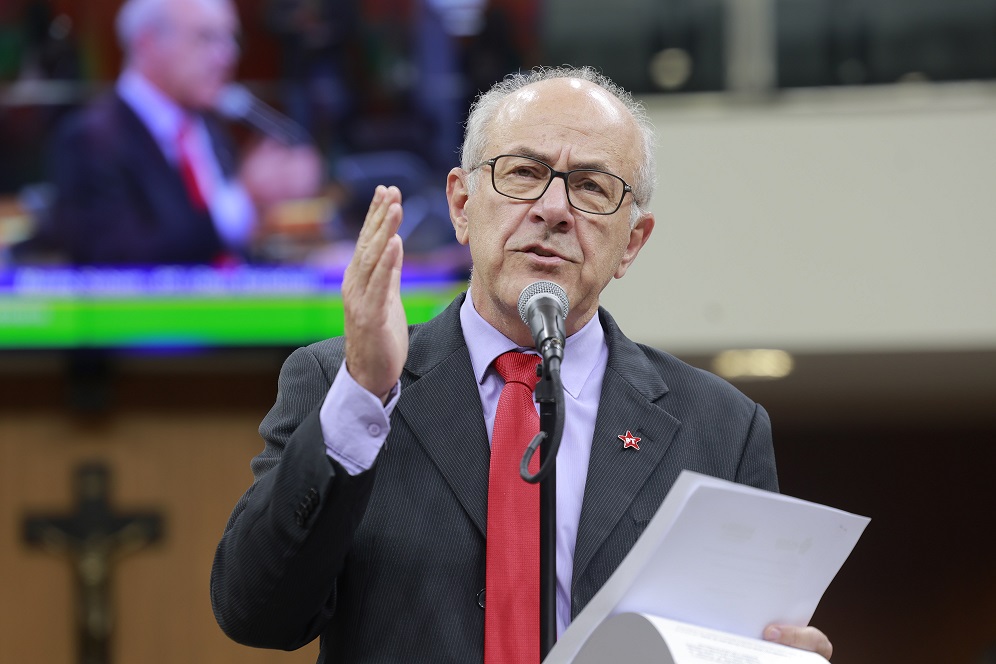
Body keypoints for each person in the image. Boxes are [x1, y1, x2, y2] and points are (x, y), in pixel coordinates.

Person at [210, 66, 834, 662]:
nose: (553, 208)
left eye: (591, 187)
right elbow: (256, 613)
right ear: (461, 205)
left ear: (632, 243)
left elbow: (736, 639)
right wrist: (364, 394)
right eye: (524, 173)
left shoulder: (721, 429)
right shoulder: (338, 384)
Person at [40, 0, 321, 265]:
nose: (227, 56)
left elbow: (230, 256)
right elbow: (119, 260)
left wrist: (307, 265)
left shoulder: (208, 127)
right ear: (148, 43)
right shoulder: (90, 138)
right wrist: (246, 198)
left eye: (231, 39)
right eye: (206, 37)